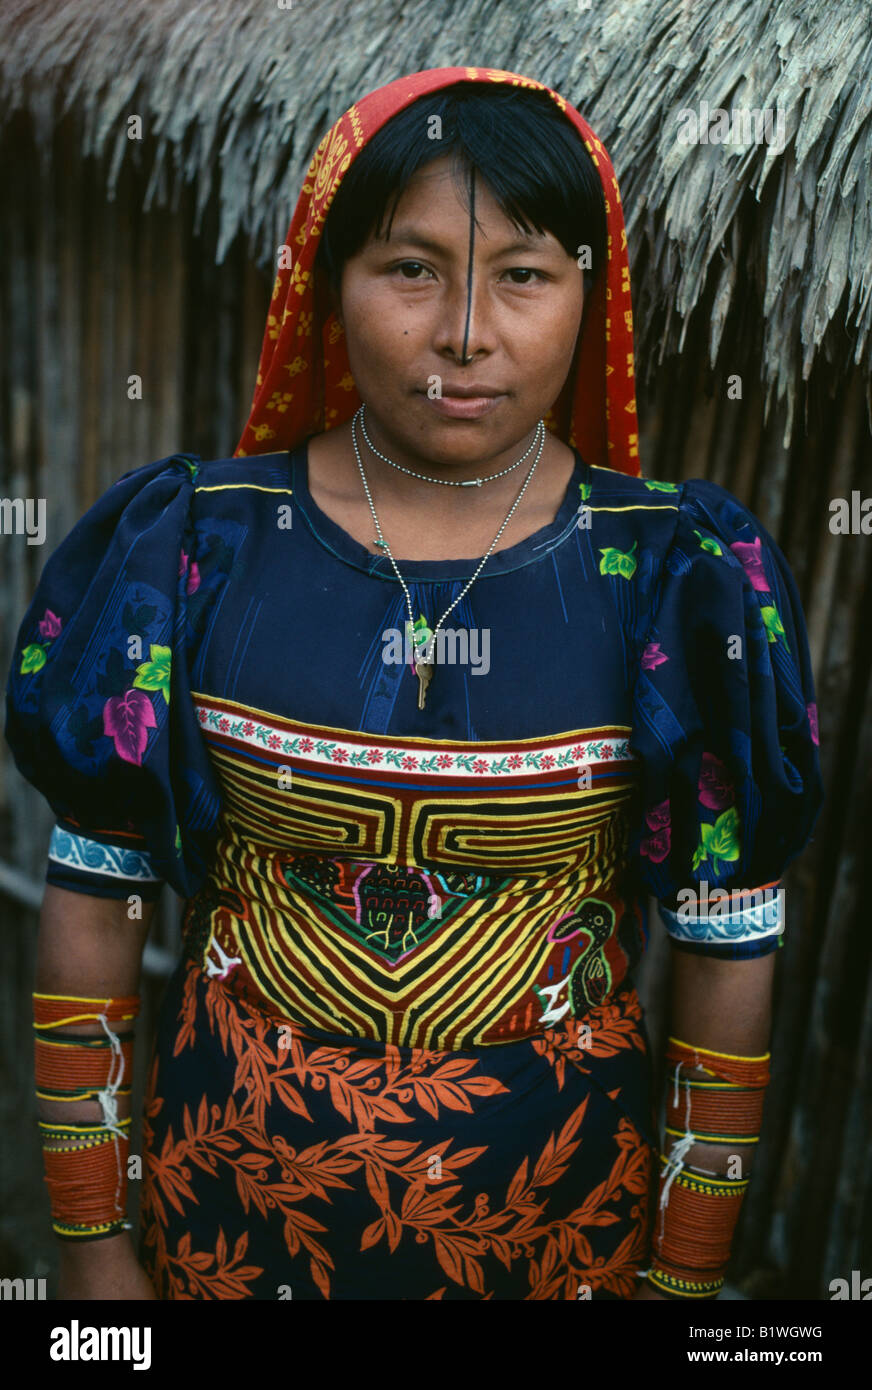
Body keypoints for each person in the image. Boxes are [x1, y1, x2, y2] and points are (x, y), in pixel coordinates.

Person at [4, 66, 824, 1301]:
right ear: (327, 280)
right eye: (410, 267)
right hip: (220, 1223)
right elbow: (96, 897)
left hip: (557, 1232)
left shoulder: (673, 574)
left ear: (587, 302)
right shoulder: (196, 546)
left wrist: (684, 1280)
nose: (464, 332)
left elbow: (722, 947)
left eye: (524, 276)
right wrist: (93, 1249)